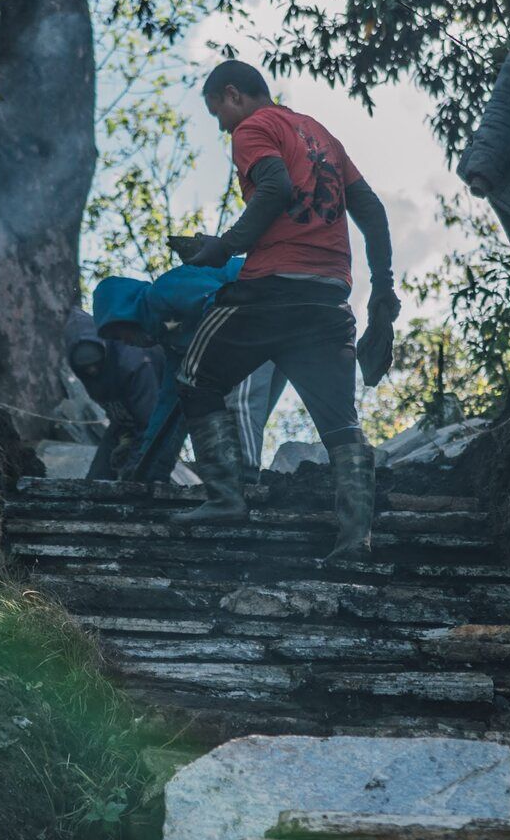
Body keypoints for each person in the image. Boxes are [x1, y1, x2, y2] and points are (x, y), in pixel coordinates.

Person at [168, 60, 397, 561]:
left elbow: (275, 188)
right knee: (340, 424)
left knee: (193, 379)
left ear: (233, 95)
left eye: (218, 113)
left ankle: (225, 498)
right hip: (328, 296)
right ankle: (357, 537)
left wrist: (223, 247)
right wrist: (384, 290)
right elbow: (372, 211)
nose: (222, 126)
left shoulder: (254, 128)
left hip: (269, 290)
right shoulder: (321, 135)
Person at [92, 264, 282, 482]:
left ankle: (241, 479)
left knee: (238, 401)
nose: (126, 343)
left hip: (261, 305)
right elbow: (169, 403)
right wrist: (147, 464)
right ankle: (237, 478)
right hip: (278, 322)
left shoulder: (164, 290)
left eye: (119, 334)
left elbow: (222, 303)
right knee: (235, 402)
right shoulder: (173, 342)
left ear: (125, 314)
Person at [62, 305, 160, 480]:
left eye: (95, 363)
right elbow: (116, 409)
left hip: (164, 412)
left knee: (141, 476)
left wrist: (134, 461)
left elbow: (151, 423)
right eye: (86, 367)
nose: (92, 370)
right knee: (97, 478)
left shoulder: (133, 365)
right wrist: (124, 439)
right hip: (127, 422)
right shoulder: (85, 372)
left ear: (103, 351)